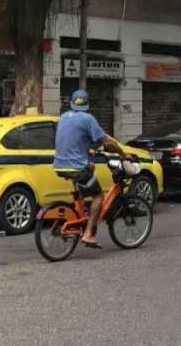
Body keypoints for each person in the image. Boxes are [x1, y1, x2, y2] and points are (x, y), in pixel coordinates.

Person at [54, 90, 131, 249]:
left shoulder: (63, 117)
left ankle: (83, 217)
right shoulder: (88, 119)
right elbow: (107, 142)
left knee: (87, 177)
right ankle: (89, 233)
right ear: (88, 104)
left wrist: (88, 152)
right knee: (98, 195)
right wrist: (123, 153)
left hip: (60, 164)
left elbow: (73, 139)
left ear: (72, 103)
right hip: (76, 167)